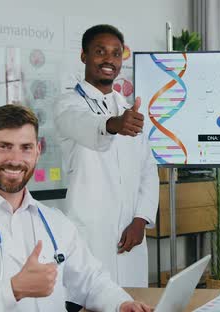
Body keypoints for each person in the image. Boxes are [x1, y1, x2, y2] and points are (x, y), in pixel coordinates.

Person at [0, 105, 151, 312]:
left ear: (37, 151)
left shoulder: (55, 222)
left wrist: (121, 303)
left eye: (25, 147)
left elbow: (92, 281)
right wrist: (13, 291)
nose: (16, 159)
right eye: (4, 147)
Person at [53, 24, 158, 287]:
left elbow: (148, 169)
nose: (109, 59)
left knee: (134, 300)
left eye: (116, 53)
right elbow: (81, 123)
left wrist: (141, 219)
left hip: (131, 233)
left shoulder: (128, 110)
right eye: (100, 51)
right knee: (92, 299)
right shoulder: (68, 104)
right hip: (91, 232)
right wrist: (112, 125)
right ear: (84, 55)